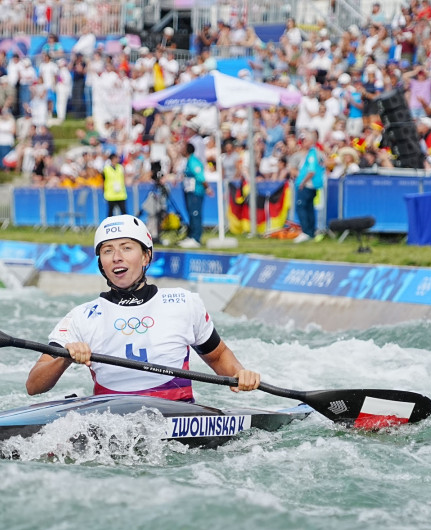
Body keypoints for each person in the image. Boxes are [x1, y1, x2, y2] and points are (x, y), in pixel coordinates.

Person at [25, 214, 261, 400]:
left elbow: (218, 356)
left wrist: (240, 374)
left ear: (146, 256)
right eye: (108, 251)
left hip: (178, 423)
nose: (117, 257)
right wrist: (65, 358)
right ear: (101, 265)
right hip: (113, 428)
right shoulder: (81, 317)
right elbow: (34, 385)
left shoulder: (185, 302)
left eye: (127, 247)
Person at [180, 142, 212, 248]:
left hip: (196, 192)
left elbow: (200, 176)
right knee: (191, 214)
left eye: (183, 147)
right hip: (189, 191)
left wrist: (207, 188)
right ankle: (191, 235)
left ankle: (196, 238)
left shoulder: (194, 161)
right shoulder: (188, 161)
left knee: (195, 214)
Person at [295, 130, 324, 242]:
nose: (302, 142)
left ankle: (306, 232)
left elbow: (311, 171)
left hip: (307, 185)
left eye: (305, 140)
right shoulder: (313, 153)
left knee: (301, 207)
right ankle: (311, 232)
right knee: (309, 208)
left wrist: (302, 182)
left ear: (311, 141)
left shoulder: (312, 154)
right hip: (311, 185)